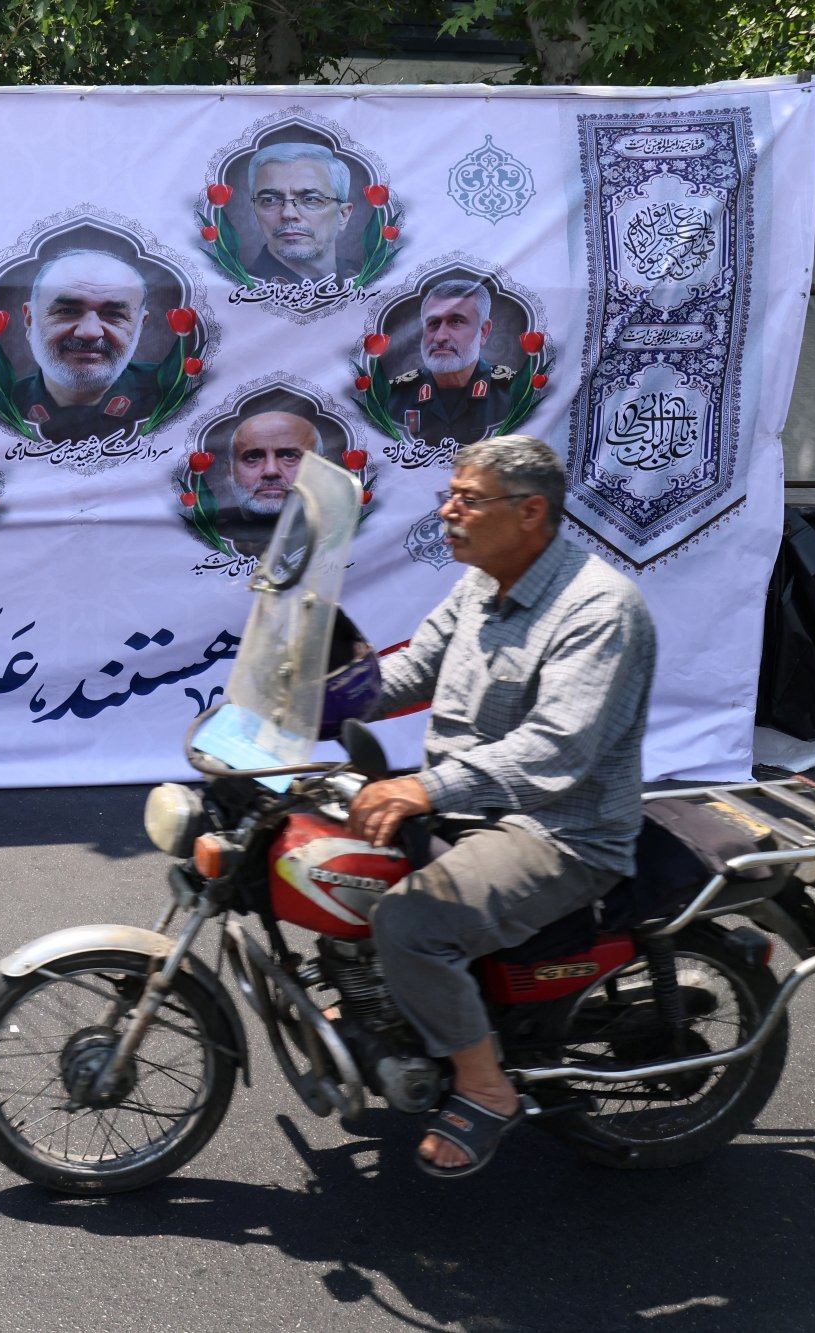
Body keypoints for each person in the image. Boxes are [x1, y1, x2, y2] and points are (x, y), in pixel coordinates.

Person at [345, 436, 656, 1179]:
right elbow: (415, 668)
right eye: (447, 495)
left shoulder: (598, 608)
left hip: (558, 827)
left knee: (410, 921)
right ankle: (397, 1007)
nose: (448, 512)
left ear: (529, 512)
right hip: (470, 801)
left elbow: (555, 750)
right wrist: (310, 697)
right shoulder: (481, 582)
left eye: (467, 499)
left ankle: (487, 1089)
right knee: (338, 859)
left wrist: (423, 788)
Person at [14, 250, 160, 440]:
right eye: (67, 310)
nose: (90, 332)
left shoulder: (178, 392)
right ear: (30, 319)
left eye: (114, 315)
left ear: (140, 324)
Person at [386, 279, 515, 454]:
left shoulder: (514, 395)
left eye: (456, 322)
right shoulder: (394, 398)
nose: (440, 337)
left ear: (483, 331)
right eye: (433, 323)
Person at [247, 143, 356, 285]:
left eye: (310, 199)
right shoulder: (233, 288)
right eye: (270, 200)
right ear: (255, 213)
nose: (288, 213)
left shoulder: (369, 279)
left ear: (342, 215)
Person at [222, 410, 322, 555]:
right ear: (230, 472)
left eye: (289, 456)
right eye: (253, 457)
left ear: (322, 469)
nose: (270, 471)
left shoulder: (353, 541)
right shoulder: (198, 540)